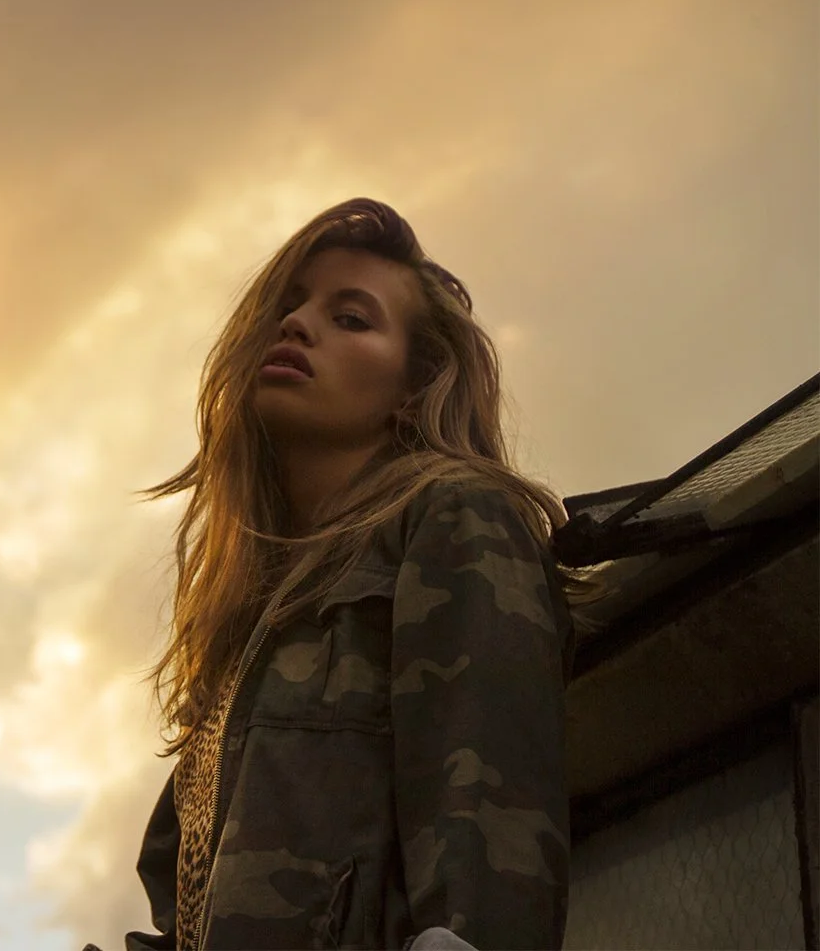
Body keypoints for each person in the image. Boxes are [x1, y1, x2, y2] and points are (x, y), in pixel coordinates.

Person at [125, 199, 590, 951]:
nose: (296, 324)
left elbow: (488, 839)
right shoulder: (250, 621)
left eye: (351, 319)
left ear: (414, 385)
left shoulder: (453, 515)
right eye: (290, 305)